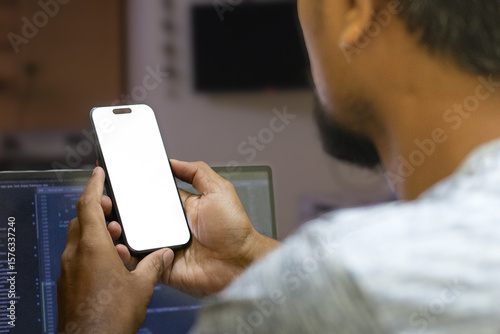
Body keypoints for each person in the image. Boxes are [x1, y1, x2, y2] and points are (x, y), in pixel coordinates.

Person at [57, 0, 500, 333]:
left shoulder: (351, 280)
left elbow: (350, 290)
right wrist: (249, 261)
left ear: (356, 10)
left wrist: (90, 325)